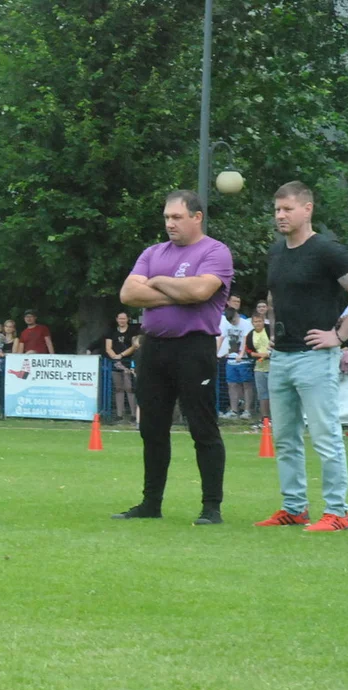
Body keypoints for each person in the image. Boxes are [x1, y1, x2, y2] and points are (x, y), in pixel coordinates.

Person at [114, 189, 233, 525]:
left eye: (177, 217)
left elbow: (200, 291)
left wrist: (159, 283)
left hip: (194, 348)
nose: (170, 223)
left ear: (197, 217)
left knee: (202, 427)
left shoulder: (215, 252)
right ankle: (151, 503)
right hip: (153, 348)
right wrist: (180, 292)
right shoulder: (152, 252)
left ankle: (212, 507)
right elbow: (128, 293)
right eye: (167, 217)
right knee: (151, 428)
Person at [255, 181, 348, 532]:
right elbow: (275, 296)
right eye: (277, 210)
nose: (280, 216)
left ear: (307, 209)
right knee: (285, 438)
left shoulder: (327, 250)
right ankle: (294, 508)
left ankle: (337, 513)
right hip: (281, 356)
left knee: (326, 435)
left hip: (315, 356)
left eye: (287, 209)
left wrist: (340, 335)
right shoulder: (277, 251)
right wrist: (270, 334)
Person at [218, 305, 255, 419]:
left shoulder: (246, 324)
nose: (232, 323)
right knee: (232, 384)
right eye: (230, 321)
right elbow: (221, 337)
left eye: (234, 320)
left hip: (244, 360)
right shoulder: (226, 323)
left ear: (237, 315)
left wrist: (241, 354)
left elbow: (245, 339)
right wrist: (216, 352)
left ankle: (247, 410)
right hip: (231, 359)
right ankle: (234, 410)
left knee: (246, 384)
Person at [105, 311, 139, 423]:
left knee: (129, 388)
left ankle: (134, 415)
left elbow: (135, 345)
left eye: (124, 319)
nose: (122, 321)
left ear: (127, 319)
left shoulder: (133, 331)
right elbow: (108, 347)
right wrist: (114, 356)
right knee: (118, 388)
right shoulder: (111, 332)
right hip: (115, 362)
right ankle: (119, 415)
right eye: (120, 318)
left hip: (128, 362)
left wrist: (122, 355)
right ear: (117, 319)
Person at [245, 313, 271, 430]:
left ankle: (277, 418)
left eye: (260, 321)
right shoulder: (250, 335)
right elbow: (249, 351)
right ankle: (265, 419)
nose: (258, 324)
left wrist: (269, 354)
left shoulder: (270, 330)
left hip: (274, 366)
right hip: (259, 367)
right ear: (252, 323)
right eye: (255, 322)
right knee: (263, 394)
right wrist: (259, 355)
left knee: (275, 393)